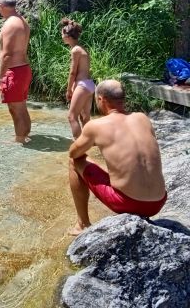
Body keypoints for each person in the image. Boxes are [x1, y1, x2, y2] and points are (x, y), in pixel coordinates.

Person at [68, 79, 167, 236]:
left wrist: (92, 141)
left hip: (129, 203)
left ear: (101, 99)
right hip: (159, 201)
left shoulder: (95, 126)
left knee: (74, 162)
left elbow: (74, 153)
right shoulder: (142, 118)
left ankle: (82, 224)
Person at [0, 0, 32, 143]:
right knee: (21, 106)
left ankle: (20, 139)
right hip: (23, 69)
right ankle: (25, 134)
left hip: (14, 71)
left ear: (1, 6)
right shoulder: (21, 20)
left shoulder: (10, 24)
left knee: (15, 108)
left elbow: (7, 54)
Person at [61, 18, 94, 138]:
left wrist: (69, 89)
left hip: (82, 85)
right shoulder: (82, 48)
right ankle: (90, 143)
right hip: (89, 84)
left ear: (68, 36)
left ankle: (79, 146)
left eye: (62, 33)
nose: (61, 36)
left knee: (71, 117)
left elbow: (72, 72)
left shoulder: (75, 50)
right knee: (85, 117)